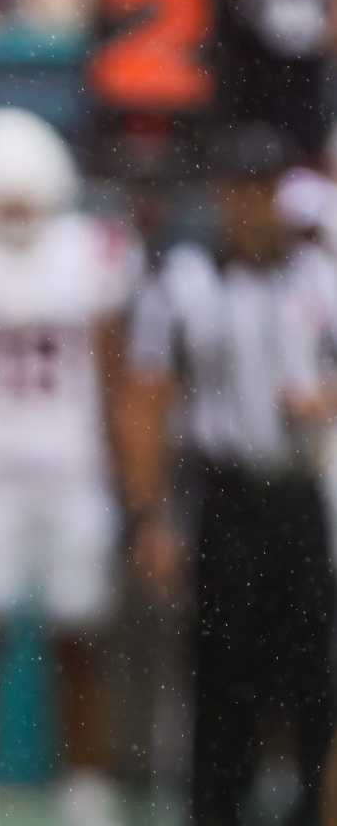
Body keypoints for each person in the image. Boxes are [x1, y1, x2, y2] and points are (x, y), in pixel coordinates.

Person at [124, 125, 337, 825]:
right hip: (226, 497)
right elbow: (148, 397)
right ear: (219, 195)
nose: (249, 205)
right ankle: (216, 809)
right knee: (222, 676)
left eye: (261, 189)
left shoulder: (316, 275)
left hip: (302, 494)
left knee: (312, 675)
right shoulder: (185, 282)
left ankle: (309, 806)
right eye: (238, 189)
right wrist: (150, 514)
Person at [0, 109, 138, 826]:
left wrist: (128, 477)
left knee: (79, 629)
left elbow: (115, 373)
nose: (16, 209)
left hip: (70, 465)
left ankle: (86, 776)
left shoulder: (90, 249)